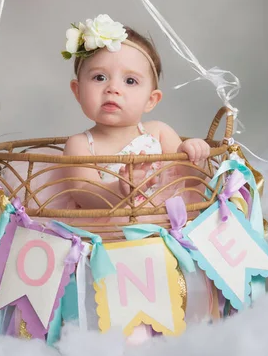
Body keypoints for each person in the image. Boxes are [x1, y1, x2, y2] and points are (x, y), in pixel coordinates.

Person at [62, 14, 210, 209]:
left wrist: (195, 157)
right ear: (78, 90)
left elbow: (190, 180)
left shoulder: (158, 132)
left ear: (151, 100)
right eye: (99, 77)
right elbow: (85, 194)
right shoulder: (80, 145)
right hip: (115, 233)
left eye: (130, 81)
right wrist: (119, 190)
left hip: (167, 226)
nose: (113, 88)